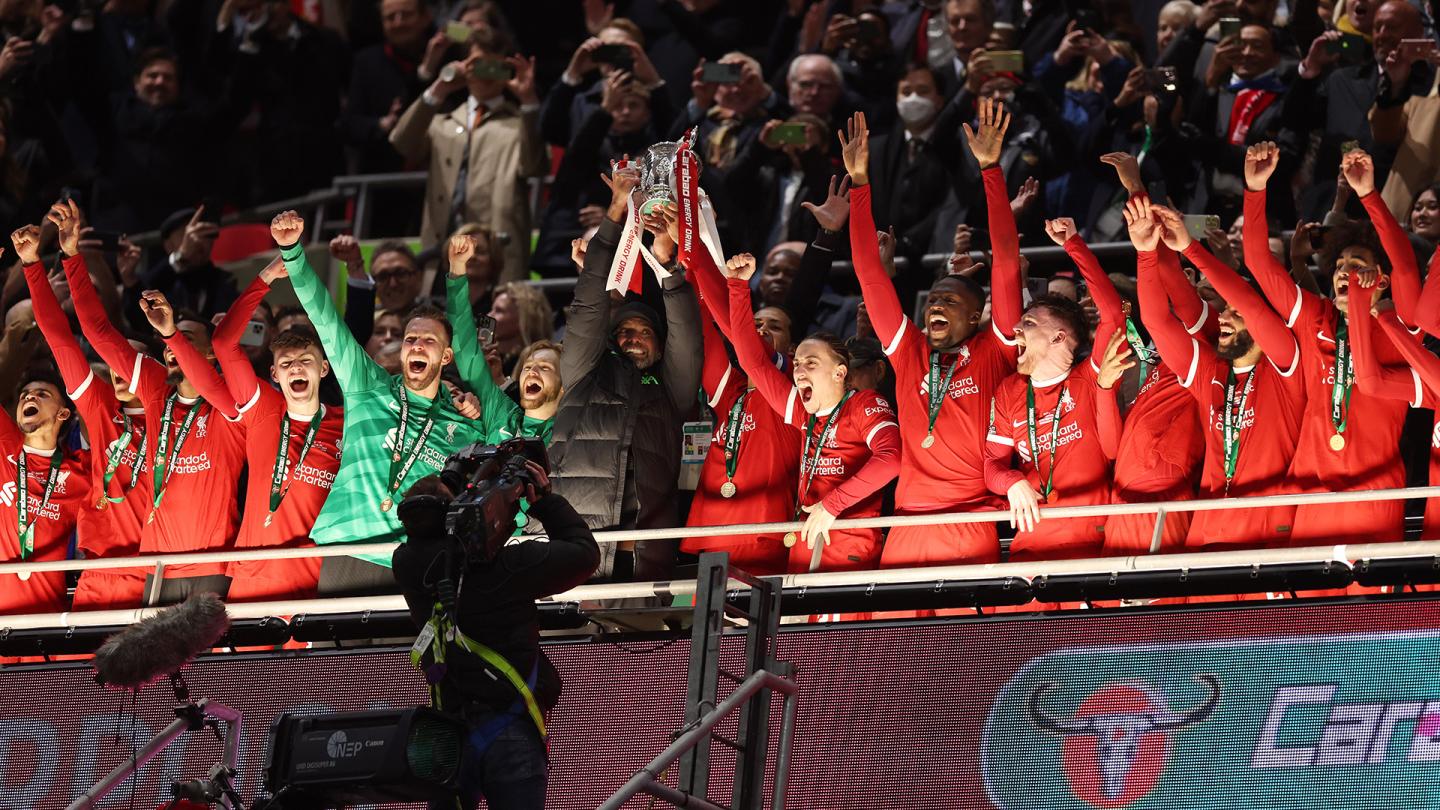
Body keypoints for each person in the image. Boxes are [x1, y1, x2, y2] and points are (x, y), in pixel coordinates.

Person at [270, 210, 503, 595]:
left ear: (446, 358)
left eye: (429, 341)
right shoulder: (368, 386)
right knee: (331, 657)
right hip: (350, 548)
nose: (416, 346)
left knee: (401, 657)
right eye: (411, 339)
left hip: (416, 557)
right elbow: (326, 321)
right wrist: (293, 251)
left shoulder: (466, 427)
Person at [841, 101, 1021, 567]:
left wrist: (990, 170)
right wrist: (861, 184)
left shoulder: (996, 348)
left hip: (970, 522)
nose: (936, 305)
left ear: (977, 314)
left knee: (962, 644)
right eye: (934, 300)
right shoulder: (909, 352)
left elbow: (1004, 260)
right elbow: (869, 275)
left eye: (950, 301)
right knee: (892, 642)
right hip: (905, 523)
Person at [57, 200, 247, 601]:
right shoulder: (157, 391)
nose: (174, 349)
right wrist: (72, 257)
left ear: (211, 354)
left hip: (213, 566)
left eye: (186, 341)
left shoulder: (235, 408)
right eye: (167, 346)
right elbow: (99, 334)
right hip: (156, 567)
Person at [394, 459, 598, 810]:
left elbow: (433, 525)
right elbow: (584, 553)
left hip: (448, 734)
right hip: (511, 730)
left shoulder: (408, 565)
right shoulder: (512, 567)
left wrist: (451, 482)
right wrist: (544, 500)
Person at [139, 265, 345, 604]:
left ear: (324, 369)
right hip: (251, 576)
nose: (296, 367)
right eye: (286, 363)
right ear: (274, 374)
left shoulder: (346, 423)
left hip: (314, 576)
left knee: (310, 661)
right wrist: (264, 279)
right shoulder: (264, 410)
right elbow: (223, 342)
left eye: (306, 360)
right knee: (233, 660)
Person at [1243, 142, 1414, 546]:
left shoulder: (1401, 326)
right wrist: (1255, 190)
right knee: (1309, 612)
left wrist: (1369, 196)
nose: (1344, 273)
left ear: (1382, 281)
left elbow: (1405, 264)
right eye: (1339, 266)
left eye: (1356, 266)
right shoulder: (1316, 317)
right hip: (1311, 493)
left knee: (1371, 611)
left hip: (1374, 497)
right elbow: (1257, 263)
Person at [546, 165, 701, 581]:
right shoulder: (584, 374)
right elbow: (588, 305)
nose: (634, 337)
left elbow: (686, 333)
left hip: (645, 554)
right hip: (573, 548)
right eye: (624, 331)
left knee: (642, 646)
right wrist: (615, 214)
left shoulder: (672, 391)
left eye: (645, 332)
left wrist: (667, 264)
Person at [1128, 196, 1307, 550]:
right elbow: (1157, 322)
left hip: (1265, 537)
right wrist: (1146, 254)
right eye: (1223, 311)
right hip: (1205, 534)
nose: (1223, 317)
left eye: (1234, 313)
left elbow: (1253, 303)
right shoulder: (1210, 371)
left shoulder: (1287, 367)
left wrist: (1191, 249)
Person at [722, 252, 901, 573]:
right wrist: (737, 288)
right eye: (799, 363)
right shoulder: (803, 410)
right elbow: (753, 362)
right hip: (806, 531)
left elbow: (891, 459)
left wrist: (833, 505)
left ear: (839, 372)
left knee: (827, 624)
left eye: (812, 363)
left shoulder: (864, 404)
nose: (800, 371)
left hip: (847, 535)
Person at [1046, 211, 1209, 553]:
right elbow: (1111, 448)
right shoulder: (1096, 363)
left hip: (1169, 491)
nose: (1091, 307)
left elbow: (1209, 226)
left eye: (1109, 302)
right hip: (1120, 495)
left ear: (1128, 306)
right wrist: (1104, 389)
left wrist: (1077, 244)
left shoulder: (1189, 351)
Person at [15, 224, 149, 610]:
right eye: (113, 362)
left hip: (160, 569)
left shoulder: (166, 415)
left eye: (130, 360)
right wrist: (33, 265)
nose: (118, 369)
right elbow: (60, 338)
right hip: (97, 574)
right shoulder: (102, 414)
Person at [677, 203, 801, 577]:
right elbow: (704, 329)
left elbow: (749, 346)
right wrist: (690, 259)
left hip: (763, 532)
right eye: (757, 322)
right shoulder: (730, 391)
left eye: (773, 327)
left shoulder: (793, 393)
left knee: (756, 634)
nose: (761, 329)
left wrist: (734, 288)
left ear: (792, 351)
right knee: (706, 634)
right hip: (713, 531)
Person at [390, 27, 545, 279]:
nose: (487, 75)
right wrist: (441, 86)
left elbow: (535, 167)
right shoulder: (443, 122)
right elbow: (401, 142)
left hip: (495, 261)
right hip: (442, 256)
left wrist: (528, 101)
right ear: (464, 66)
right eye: (478, 65)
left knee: (492, 320)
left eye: (496, 67)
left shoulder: (519, 125)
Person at [983, 291, 1127, 561]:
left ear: (1058, 337)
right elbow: (992, 467)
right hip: (1030, 544)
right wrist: (1012, 482)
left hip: (1090, 543)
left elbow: (1114, 314)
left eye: (1029, 323)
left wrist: (1074, 246)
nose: (1015, 328)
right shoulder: (1009, 390)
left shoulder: (1089, 376)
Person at [0, 369, 90, 615]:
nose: (29, 398)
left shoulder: (80, 473)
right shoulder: (3, 446)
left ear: (63, 413)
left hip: (46, 620)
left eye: (42, 394)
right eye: (24, 395)